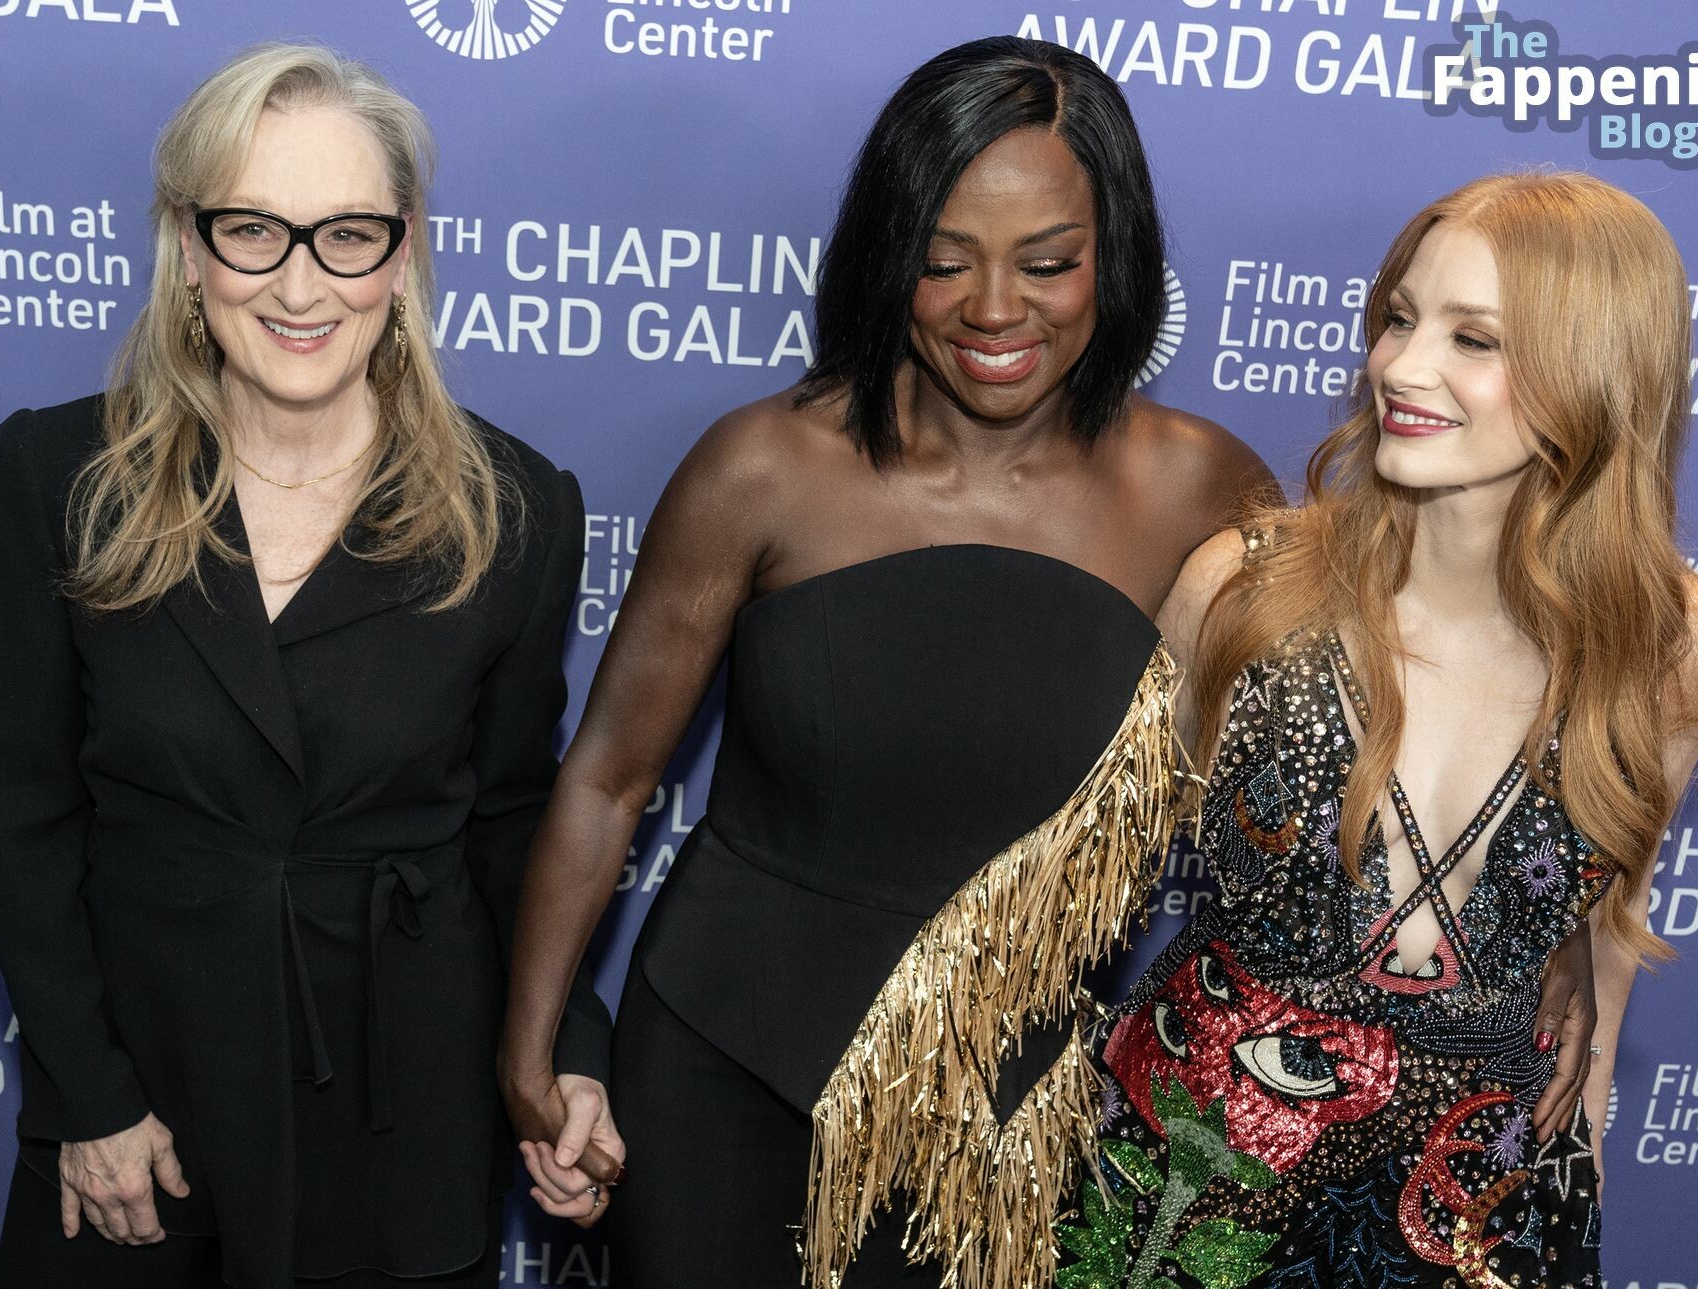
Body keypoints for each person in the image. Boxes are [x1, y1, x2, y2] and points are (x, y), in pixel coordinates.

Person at [495, 35, 1274, 1288]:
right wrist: (532, 1047)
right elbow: (606, 778)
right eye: (943, 260)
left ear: (1116, 256)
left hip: (1002, 1116)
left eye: (1048, 263)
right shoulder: (762, 467)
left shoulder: (1206, 490)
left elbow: (1296, 805)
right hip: (721, 1068)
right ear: (884, 251)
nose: (994, 309)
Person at [0, 43, 607, 1289]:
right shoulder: (59, 476)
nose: (300, 285)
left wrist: (561, 1049)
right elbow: (19, 808)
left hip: (402, 1109)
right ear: (190, 248)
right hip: (142, 1101)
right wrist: (88, 1094)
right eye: (254, 230)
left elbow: (512, 825)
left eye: (347, 234)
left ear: (403, 253)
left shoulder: (516, 507)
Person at [1057, 172, 1698, 1287]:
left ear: (1597, 368)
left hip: (1476, 1208)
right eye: (1400, 319)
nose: (1402, 368)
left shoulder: (1668, 648)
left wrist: (1583, 1179)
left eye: (1474, 339)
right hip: (1186, 1191)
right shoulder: (1247, 595)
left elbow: (1606, 948)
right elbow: (1084, 890)